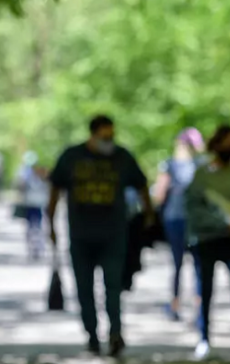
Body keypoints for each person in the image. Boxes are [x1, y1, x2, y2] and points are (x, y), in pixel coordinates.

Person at [47, 115, 153, 357]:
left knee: (113, 287)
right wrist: (50, 224)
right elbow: (54, 190)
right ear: (93, 135)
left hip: (114, 235)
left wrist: (149, 216)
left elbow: (141, 184)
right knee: (84, 289)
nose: (109, 141)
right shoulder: (71, 157)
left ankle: (115, 334)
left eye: (112, 137)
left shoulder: (122, 157)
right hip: (80, 236)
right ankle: (92, 336)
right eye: (105, 137)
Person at [186, 125, 230, 361]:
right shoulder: (203, 174)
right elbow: (192, 207)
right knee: (205, 290)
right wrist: (220, 223)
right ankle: (204, 338)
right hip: (206, 239)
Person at [153, 127, 205, 321]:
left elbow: (159, 195)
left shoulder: (170, 165)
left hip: (174, 219)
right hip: (197, 221)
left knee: (177, 264)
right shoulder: (202, 165)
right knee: (199, 266)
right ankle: (200, 309)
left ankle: (174, 305)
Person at [16, 151, 48, 260]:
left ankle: (35, 246)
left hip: (35, 203)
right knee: (34, 225)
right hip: (33, 203)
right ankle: (34, 246)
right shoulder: (26, 173)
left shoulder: (36, 172)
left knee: (34, 226)